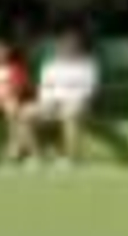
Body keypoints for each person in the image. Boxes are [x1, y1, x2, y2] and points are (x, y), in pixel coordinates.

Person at [11, 29, 100, 168]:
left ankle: (71, 159)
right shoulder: (49, 65)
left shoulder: (88, 65)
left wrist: (68, 101)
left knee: (69, 113)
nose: (68, 48)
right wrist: (49, 103)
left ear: (79, 47)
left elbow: (88, 91)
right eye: (65, 45)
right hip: (51, 104)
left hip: (78, 104)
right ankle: (36, 157)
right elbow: (44, 89)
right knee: (24, 112)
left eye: (72, 45)